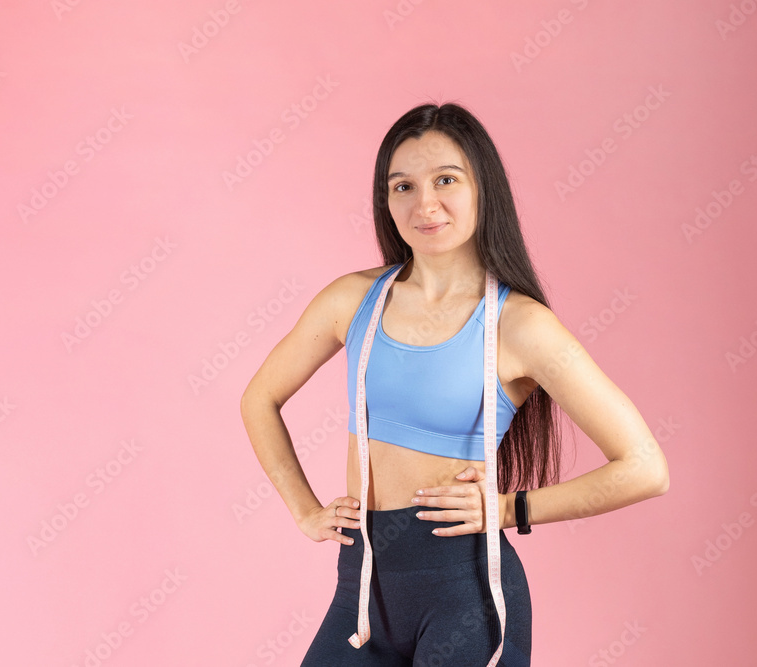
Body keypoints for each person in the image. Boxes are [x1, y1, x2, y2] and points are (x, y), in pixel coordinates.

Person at [239, 102, 670, 666]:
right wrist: (304, 511)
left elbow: (645, 468)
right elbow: (259, 399)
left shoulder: (521, 326)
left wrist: (511, 509)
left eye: (446, 180)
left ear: (483, 188)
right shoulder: (352, 301)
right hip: (362, 593)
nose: (425, 204)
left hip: (467, 597)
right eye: (403, 186)